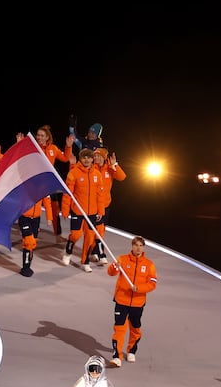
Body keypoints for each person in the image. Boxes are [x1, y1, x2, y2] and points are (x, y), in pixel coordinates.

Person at [106, 236, 158, 367]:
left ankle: (131, 351)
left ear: (144, 247)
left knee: (135, 328)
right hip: (121, 300)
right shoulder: (122, 260)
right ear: (132, 246)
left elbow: (152, 284)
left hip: (138, 302)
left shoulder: (149, 264)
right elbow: (111, 272)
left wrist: (139, 288)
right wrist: (114, 266)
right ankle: (117, 356)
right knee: (119, 329)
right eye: (136, 245)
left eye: (140, 245)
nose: (138, 248)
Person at [61, 147, 105, 273]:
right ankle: (68, 252)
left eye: (89, 157)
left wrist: (100, 211)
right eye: (84, 157)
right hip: (78, 210)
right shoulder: (73, 173)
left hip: (92, 212)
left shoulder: (97, 174)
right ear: (80, 159)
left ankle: (85, 262)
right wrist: (65, 209)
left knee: (90, 238)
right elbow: (67, 193)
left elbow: (100, 194)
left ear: (92, 159)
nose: (86, 160)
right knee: (75, 235)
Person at [91, 146, 126, 265]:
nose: (96, 158)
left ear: (104, 157)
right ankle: (99, 253)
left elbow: (122, 177)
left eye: (99, 156)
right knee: (94, 230)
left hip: (105, 205)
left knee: (100, 230)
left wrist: (114, 165)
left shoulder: (109, 168)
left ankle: (96, 251)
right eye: (95, 155)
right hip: (92, 205)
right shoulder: (91, 168)